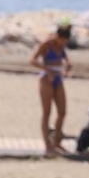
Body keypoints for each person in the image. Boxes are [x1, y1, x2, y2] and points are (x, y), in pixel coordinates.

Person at [29, 21, 72, 155]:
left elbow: (66, 60)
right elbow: (33, 61)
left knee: (62, 112)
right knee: (47, 112)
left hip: (58, 78)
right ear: (58, 37)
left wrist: (68, 67)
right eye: (63, 40)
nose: (63, 43)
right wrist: (47, 69)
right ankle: (48, 145)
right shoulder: (46, 45)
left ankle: (57, 141)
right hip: (46, 78)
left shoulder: (61, 47)